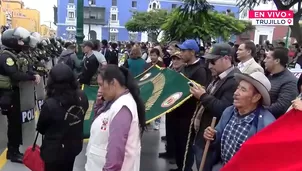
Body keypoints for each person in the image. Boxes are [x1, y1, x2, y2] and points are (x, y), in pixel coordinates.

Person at [202, 72, 275, 171]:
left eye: (243, 90)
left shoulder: (266, 124)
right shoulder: (229, 111)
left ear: (256, 97)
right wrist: (212, 135)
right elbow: (218, 134)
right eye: (238, 88)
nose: (236, 93)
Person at [85, 65, 145, 171]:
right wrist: (99, 106)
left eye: (101, 85)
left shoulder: (122, 107)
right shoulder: (113, 103)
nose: (99, 90)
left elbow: (115, 153)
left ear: (113, 83)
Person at [37, 64, 88, 171]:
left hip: (54, 151)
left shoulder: (50, 104)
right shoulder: (82, 96)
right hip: (73, 147)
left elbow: (41, 128)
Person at [0, 27, 41, 163]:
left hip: (15, 93)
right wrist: (31, 77)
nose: (22, 43)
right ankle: (13, 152)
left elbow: (23, 70)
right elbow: (15, 74)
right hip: (9, 94)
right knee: (14, 124)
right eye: (19, 40)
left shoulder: (13, 54)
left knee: (17, 123)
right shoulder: (6, 56)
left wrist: (32, 74)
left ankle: (14, 150)